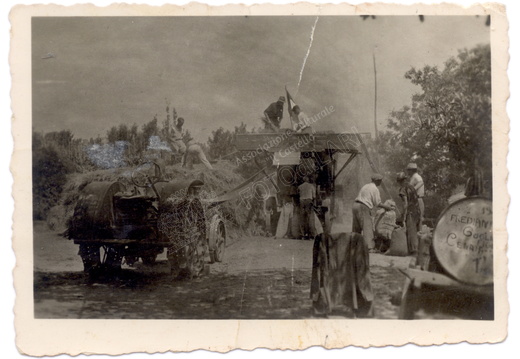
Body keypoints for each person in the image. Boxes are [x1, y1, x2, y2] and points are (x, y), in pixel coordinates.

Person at [352, 173, 393, 252]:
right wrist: (387, 207)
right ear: (377, 181)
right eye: (380, 181)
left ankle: (354, 246)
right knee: (367, 227)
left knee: (356, 228)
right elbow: (378, 203)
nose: (381, 182)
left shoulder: (366, 186)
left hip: (355, 205)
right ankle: (370, 248)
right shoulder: (375, 189)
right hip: (363, 206)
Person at [396, 172, 421, 256]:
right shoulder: (411, 187)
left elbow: (405, 203)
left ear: (399, 181)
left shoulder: (403, 189)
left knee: (411, 231)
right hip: (417, 210)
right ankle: (415, 249)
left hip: (410, 211)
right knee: (416, 230)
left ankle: (414, 251)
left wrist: (403, 216)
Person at [406, 163, 425, 228]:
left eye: (408, 170)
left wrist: (413, 190)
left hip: (418, 199)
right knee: (415, 219)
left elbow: (421, 182)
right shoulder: (413, 177)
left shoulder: (416, 176)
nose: (407, 172)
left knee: (419, 219)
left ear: (411, 170)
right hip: (415, 200)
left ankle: (419, 234)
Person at [298, 176, 316, 240]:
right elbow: (314, 196)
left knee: (302, 218)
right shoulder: (311, 186)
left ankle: (303, 235)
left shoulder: (300, 186)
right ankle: (311, 235)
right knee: (310, 218)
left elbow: (299, 194)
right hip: (309, 201)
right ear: (308, 180)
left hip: (302, 201)